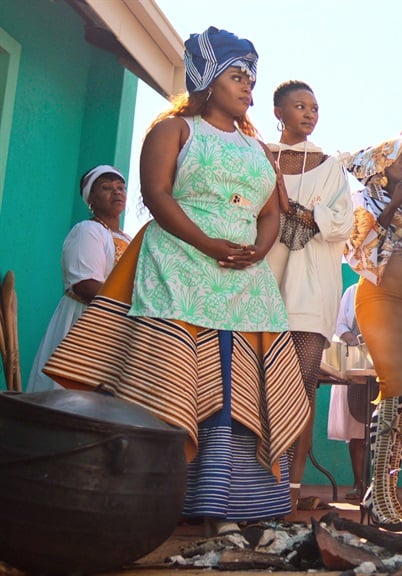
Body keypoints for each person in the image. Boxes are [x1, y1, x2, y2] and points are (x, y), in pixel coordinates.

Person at [43, 27, 308, 536]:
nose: (248, 88)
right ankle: (167, 501)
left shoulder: (258, 149)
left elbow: (272, 211)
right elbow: (158, 195)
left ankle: (236, 503)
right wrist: (208, 244)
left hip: (244, 280)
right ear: (208, 80)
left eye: (251, 79)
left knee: (241, 386)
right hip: (178, 269)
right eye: (237, 76)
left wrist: (259, 248)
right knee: (179, 381)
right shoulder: (175, 131)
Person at [264, 79, 354, 512]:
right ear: (277, 112)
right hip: (258, 288)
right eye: (299, 106)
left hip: (312, 289)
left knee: (300, 386)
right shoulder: (257, 155)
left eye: (314, 107)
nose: (309, 114)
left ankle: (289, 491)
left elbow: (341, 224)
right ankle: (248, 484)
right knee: (252, 385)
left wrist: (294, 207)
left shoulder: (329, 164)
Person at [343, 128, 402, 531]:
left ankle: (385, 494)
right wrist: (395, 202)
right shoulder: (366, 199)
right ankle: (377, 496)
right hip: (379, 296)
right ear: (383, 167)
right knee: (394, 384)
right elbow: (359, 248)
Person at [27, 166, 133, 393]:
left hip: (116, 324)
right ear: (90, 199)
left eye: (121, 188)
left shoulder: (129, 239)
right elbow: (85, 285)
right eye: (106, 188)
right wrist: (132, 306)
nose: (116, 192)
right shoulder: (88, 230)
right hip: (85, 321)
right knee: (72, 396)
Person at [326, 283, 367, 501]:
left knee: (387, 431)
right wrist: (352, 339)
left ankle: (381, 487)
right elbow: (339, 324)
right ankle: (359, 483)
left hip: (385, 362)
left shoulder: (395, 290)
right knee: (356, 430)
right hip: (355, 363)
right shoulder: (352, 291)